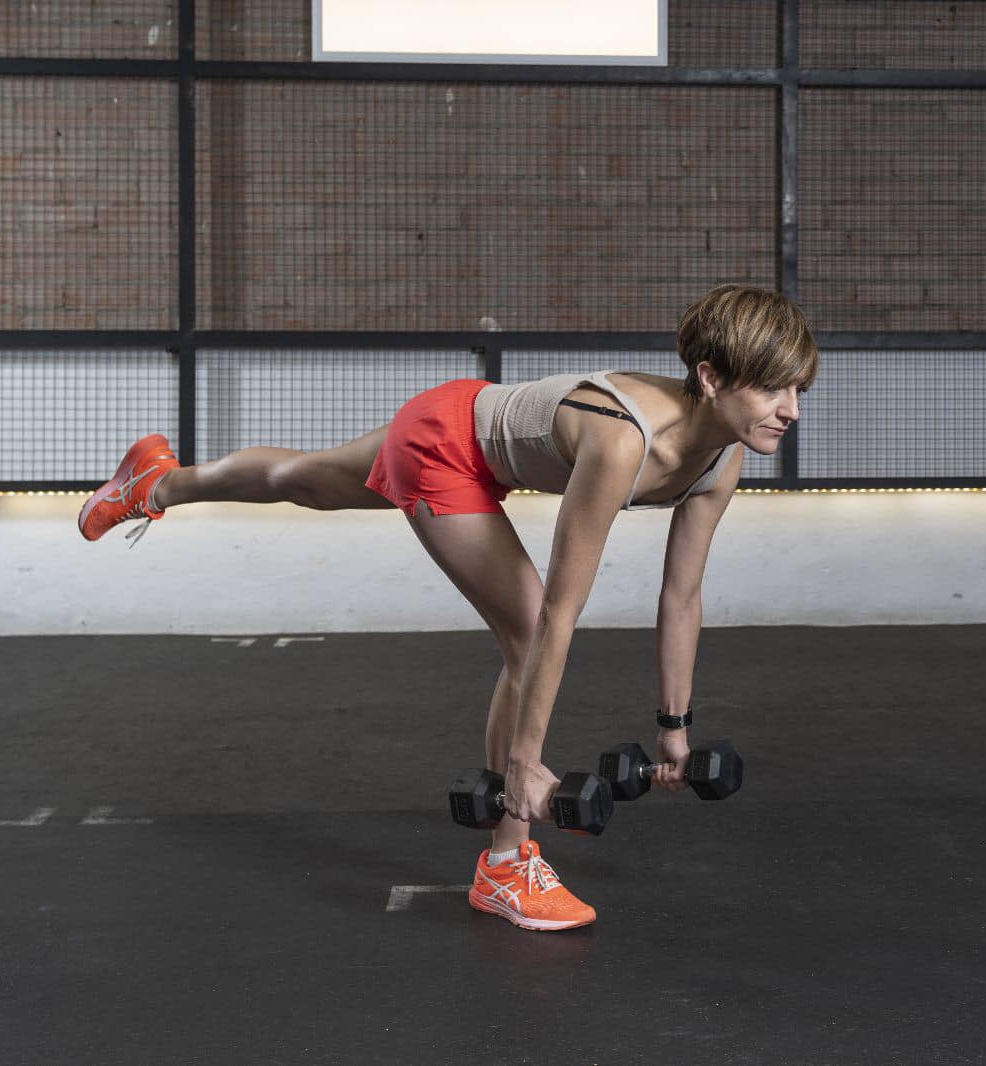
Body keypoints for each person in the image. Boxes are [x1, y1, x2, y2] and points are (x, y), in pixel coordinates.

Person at [76, 283, 818, 932]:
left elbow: (681, 594)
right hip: (447, 443)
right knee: (526, 627)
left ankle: (154, 482)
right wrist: (523, 766)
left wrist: (674, 730)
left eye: (797, 391)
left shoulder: (723, 458)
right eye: (772, 391)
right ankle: (506, 863)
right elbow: (558, 614)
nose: (789, 411)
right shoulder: (624, 440)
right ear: (711, 377)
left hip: (463, 417)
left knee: (301, 478)